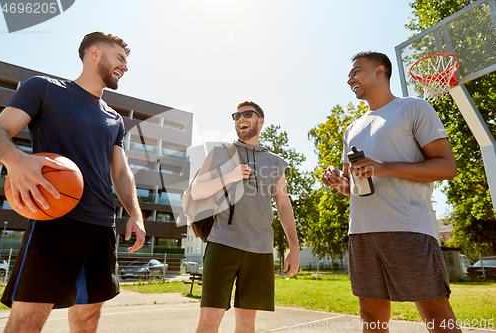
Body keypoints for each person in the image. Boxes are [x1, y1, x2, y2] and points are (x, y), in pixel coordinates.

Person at [0, 32, 146, 333]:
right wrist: (17, 160)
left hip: (101, 226)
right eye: (120, 58)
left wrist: (136, 214)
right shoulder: (45, 89)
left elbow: (120, 171)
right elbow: (0, 129)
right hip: (55, 219)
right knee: (29, 319)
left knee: (88, 318)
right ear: (94, 53)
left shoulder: (115, 119)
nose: (125, 67)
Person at [321, 52, 460, 333]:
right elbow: (357, 189)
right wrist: (340, 184)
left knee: (436, 316)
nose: (349, 79)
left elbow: (447, 166)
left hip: (408, 228)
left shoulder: (414, 108)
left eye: (356, 72)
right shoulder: (352, 128)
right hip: (361, 233)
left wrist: (385, 168)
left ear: (380, 72)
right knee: (371, 318)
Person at [192, 101, 300, 333]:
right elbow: (196, 191)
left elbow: (283, 204)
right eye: (237, 115)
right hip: (223, 243)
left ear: (261, 121)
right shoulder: (219, 152)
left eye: (247, 114)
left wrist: (294, 246)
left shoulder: (275, 162)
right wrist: (228, 176)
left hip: (259, 248)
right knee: (210, 318)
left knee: (247, 321)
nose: (241, 118)